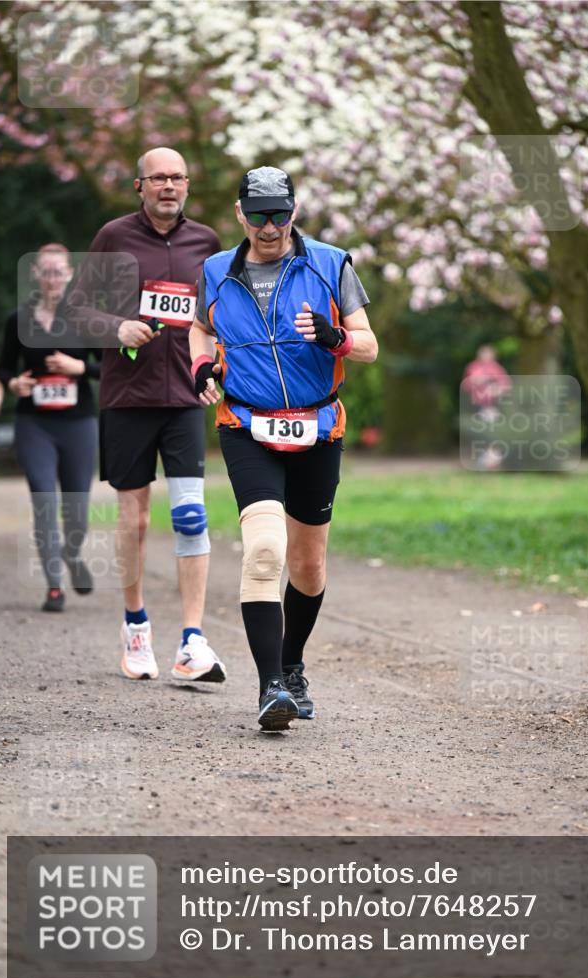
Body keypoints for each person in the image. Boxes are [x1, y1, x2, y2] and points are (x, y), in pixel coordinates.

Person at [190, 166, 378, 730]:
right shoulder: (216, 271)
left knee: (309, 565)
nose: (270, 227)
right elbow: (200, 328)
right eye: (259, 216)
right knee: (265, 550)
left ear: (294, 211)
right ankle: (272, 686)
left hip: (318, 427)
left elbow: (368, 346)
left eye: (280, 214)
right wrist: (202, 362)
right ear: (241, 215)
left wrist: (333, 335)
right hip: (247, 426)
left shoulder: (330, 264)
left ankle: (292, 662)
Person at [67, 147, 226, 683]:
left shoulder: (206, 243)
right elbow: (75, 310)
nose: (168, 186)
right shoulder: (114, 237)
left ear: (187, 186)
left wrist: (217, 370)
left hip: (183, 397)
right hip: (128, 398)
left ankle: (193, 640)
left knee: (190, 517)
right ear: (139, 185)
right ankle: (135, 627)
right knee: (133, 520)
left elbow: (221, 316)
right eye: (158, 177)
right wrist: (116, 328)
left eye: (178, 177)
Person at [0, 243, 100, 612]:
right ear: (36, 275)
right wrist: (13, 384)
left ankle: (72, 555)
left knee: (77, 509)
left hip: (78, 423)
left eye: (59, 271)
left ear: (70, 275)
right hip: (34, 422)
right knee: (44, 501)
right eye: (47, 271)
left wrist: (79, 368)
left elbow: (108, 367)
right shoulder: (18, 319)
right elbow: (5, 366)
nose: (53, 278)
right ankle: (54, 585)